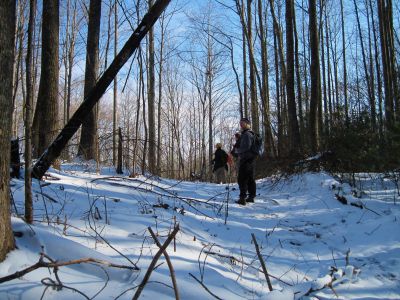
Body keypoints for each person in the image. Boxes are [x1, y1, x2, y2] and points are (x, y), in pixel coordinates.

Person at [235, 117, 256, 205]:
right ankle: (251, 197)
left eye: (243, 123)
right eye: (240, 123)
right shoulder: (249, 134)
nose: (241, 125)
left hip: (246, 159)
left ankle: (242, 198)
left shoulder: (247, 134)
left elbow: (246, 147)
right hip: (250, 159)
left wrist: (237, 150)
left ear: (248, 124)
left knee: (242, 179)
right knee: (250, 178)